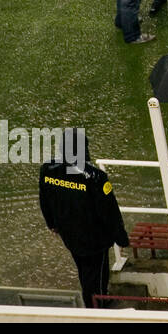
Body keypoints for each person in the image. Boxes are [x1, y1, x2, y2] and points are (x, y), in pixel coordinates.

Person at [39, 129, 130, 308]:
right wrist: (121, 238)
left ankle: (91, 301)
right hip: (95, 239)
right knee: (97, 275)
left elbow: (44, 201)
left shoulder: (48, 169)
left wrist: (52, 224)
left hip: (69, 234)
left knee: (84, 270)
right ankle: (98, 306)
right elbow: (110, 212)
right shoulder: (96, 177)